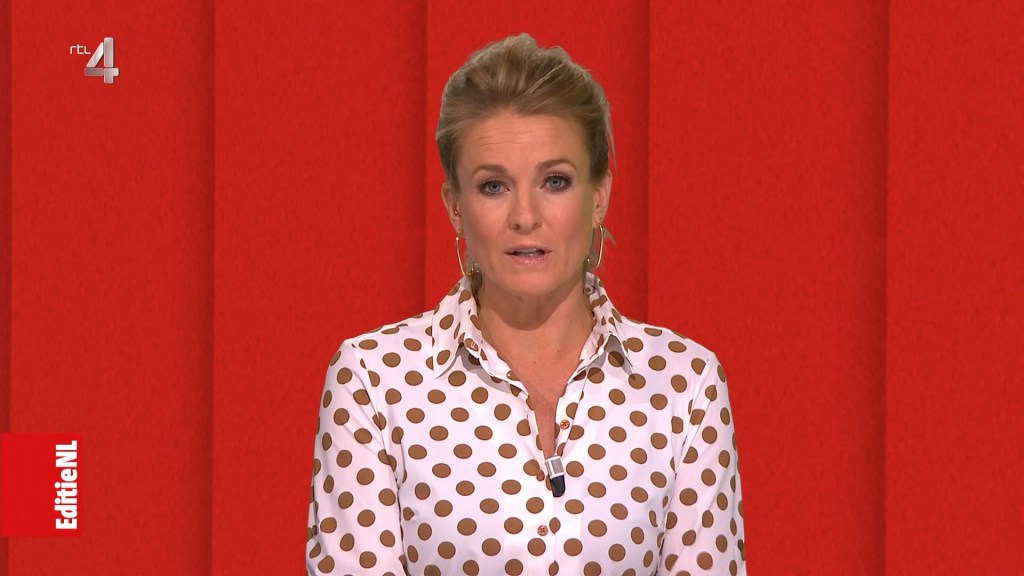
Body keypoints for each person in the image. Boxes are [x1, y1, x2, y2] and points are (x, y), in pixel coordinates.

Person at [306, 33, 745, 576]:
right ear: (455, 207)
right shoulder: (373, 381)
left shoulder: (684, 384)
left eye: (554, 181)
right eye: (493, 186)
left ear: (599, 196)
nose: (525, 216)